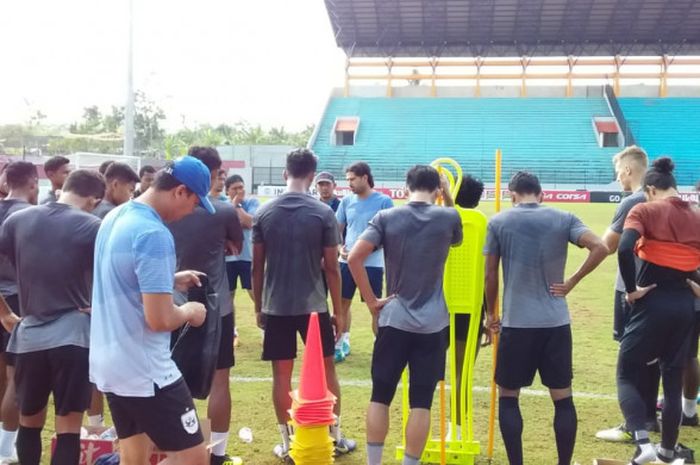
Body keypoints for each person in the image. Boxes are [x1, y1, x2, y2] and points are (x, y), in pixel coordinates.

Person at [90, 156, 213, 465]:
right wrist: (191, 312)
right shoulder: (153, 234)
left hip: (111, 363)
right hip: (145, 370)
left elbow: (119, 277)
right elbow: (160, 319)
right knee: (194, 459)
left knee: (133, 457)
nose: (190, 213)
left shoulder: (115, 217)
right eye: (194, 203)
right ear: (181, 191)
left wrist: (167, 281)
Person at [484, 171, 607, 465]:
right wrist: (573, 280)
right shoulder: (564, 217)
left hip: (516, 324)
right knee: (562, 398)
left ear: (512, 195)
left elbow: (490, 274)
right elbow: (601, 247)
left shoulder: (498, 221)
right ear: (541, 194)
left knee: (508, 396)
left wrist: (491, 314)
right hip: (555, 323)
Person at [348, 165, 462, 465]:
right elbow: (456, 236)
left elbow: (355, 257)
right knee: (421, 404)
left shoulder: (387, 216)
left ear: (405, 186)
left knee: (380, 396)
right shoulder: (449, 215)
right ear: (437, 188)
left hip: (394, 319)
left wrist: (372, 301)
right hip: (434, 323)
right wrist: (447, 197)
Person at [252, 148, 355, 459]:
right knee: (326, 373)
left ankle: (287, 443)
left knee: (281, 375)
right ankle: (333, 438)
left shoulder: (264, 212)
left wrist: (259, 306)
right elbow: (332, 267)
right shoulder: (323, 212)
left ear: (285, 174)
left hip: (276, 306)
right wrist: (337, 311)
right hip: (314, 308)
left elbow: (258, 266)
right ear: (312, 176)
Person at [0, 169, 105, 465]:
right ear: (94, 199)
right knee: (69, 428)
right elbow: (118, 275)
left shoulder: (17, 220)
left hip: (30, 337)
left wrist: (5, 313)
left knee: (29, 423)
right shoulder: (93, 225)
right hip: (74, 336)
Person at [616, 157, 700, 465]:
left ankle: (643, 442)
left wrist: (630, 289)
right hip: (684, 306)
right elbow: (689, 263)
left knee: (626, 372)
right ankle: (667, 452)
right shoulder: (696, 214)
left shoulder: (644, 209)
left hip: (651, 302)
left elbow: (625, 248)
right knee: (673, 380)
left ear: (650, 190)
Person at [169, 147, 243, 465]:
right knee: (220, 380)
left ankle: (177, 448)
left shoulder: (166, 209)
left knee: (169, 379)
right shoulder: (223, 211)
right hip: (215, 308)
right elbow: (236, 246)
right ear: (213, 174)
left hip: (170, 303)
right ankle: (218, 453)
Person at [595, 146, 661, 442]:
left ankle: (634, 425)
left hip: (631, 288)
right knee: (651, 356)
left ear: (628, 170)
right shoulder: (660, 200)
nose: (617, 177)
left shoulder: (632, 202)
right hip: (659, 288)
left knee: (630, 357)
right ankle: (649, 416)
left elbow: (606, 246)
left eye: (618, 171)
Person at [0, 162, 39, 463]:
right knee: (17, 377)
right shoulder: (27, 218)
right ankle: (4, 449)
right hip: (15, 300)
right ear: (33, 184)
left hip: (7, 300)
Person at [336, 162, 393, 361]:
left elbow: (389, 234)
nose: (349, 183)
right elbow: (338, 229)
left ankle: (382, 349)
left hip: (372, 264)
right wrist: (339, 248)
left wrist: (368, 249)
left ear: (365, 178)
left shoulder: (384, 201)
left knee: (375, 308)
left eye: (352, 179)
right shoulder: (346, 201)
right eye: (347, 180)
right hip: (345, 263)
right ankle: (341, 343)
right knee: (342, 304)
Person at [451, 174, 486, 438]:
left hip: (437, 305)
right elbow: (489, 273)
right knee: (462, 373)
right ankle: (457, 428)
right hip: (471, 306)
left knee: (427, 370)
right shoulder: (482, 223)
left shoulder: (438, 219)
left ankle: (424, 423)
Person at [225, 175, 259, 304]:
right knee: (228, 295)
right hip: (228, 258)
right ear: (227, 191)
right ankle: (230, 325)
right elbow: (225, 228)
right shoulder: (223, 205)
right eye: (235, 189)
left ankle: (265, 322)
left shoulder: (252, 202)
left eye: (241, 187)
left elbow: (251, 223)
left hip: (248, 257)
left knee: (254, 293)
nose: (239, 191)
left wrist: (237, 205)